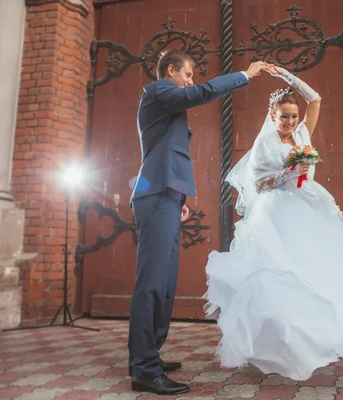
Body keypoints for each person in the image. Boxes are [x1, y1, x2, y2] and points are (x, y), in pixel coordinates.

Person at [203, 65, 343, 381]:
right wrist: (285, 174)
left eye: (294, 116)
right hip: (277, 213)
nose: (291, 121)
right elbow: (258, 185)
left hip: (308, 207)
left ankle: (323, 336)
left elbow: (316, 99)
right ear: (272, 116)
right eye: (284, 116)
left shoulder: (302, 134)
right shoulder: (264, 146)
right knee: (282, 274)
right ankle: (281, 343)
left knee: (323, 270)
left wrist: (286, 76)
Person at [128, 48, 267, 396]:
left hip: (168, 198)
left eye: (191, 76)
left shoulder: (167, 105)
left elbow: (165, 155)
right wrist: (245, 76)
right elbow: (199, 93)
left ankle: (151, 355)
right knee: (152, 283)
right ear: (171, 70)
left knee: (165, 284)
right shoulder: (158, 90)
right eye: (187, 74)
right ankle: (143, 368)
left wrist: (181, 201)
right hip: (156, 196)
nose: (190, 81)